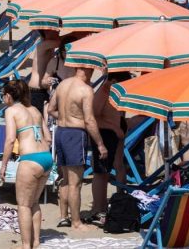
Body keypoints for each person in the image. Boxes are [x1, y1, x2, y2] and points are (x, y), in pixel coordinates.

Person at [48, 65, 108, 230]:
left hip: (60, 132)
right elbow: (89, 120)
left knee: (66, 179)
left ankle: (63, 217)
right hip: (75, 135)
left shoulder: (63, 84)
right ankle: (76, 222)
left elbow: (50, 109)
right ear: (87, 70)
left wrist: (66, 118)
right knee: (76, 182)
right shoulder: (86, 90)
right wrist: (100, 144)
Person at [0, 80, 51, 249]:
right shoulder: (35, 109)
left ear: (8, 96)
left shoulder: (11, 110)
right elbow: (48, 137)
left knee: (23, 205)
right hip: (46, 157)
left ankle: (26, 245)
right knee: (34, 203)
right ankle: (36, 243)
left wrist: (4, 165)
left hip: (30, 159)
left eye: (2, 96)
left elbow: (10, 140)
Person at [89, 72, 129, 223]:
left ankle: (121, 198)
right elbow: (94, 118)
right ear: (111, 81)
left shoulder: (114, 92)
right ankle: (99, 209)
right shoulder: (102, 93)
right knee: (101, 172)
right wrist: (114, 127)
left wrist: (120, 126)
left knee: (119, 166)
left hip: (116, 128)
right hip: (105, 132)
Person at [27, 30, 60, 117]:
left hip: (44, 90)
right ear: (46, 32)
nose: (58, 32)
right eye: (55, 31)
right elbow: (64, 42)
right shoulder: (42, 45)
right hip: (35, 91)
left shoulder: (50, 47)